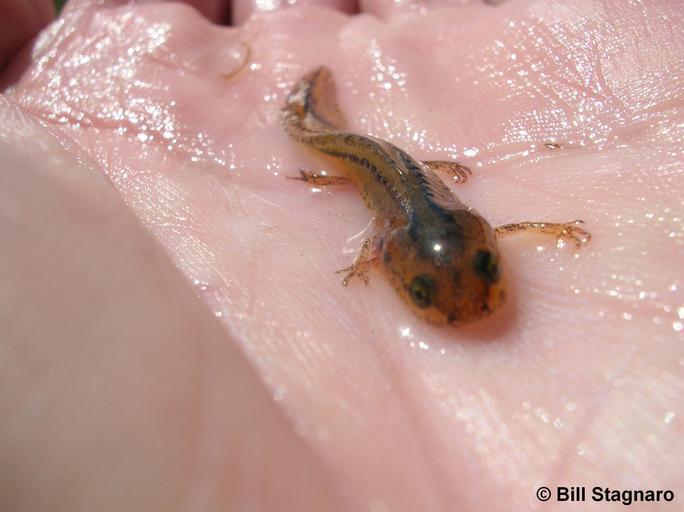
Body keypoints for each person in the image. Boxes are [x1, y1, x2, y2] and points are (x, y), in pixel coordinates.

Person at [1, 0, 682, 510]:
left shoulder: (454, 234)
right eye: (426, 294)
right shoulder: (399, 237)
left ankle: (324, 119)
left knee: (369, 162)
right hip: (374, 168)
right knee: (343, 153)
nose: (472, 303)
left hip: (410, 180)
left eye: (485, 271)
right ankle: (308, 108)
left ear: (480, 237)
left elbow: (490, 233)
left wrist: (556, 227)